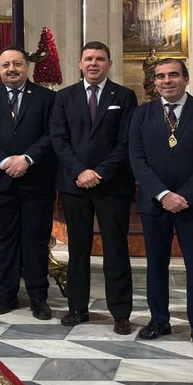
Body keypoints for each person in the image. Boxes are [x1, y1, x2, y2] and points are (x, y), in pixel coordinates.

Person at [128, 58, 193, 349]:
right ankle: (159, 320)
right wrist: (162, 194)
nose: (166, 81)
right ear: (154, 82)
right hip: (154, 205)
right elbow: (137, 158)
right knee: (156, 265)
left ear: (186, 78)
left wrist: (186, 196)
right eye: (160, 77)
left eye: (173, 75)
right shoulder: (142, 114)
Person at [51, 42, 137, 334]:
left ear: (109, 63)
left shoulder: (124, 97)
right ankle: (77, 308)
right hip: (75, 185)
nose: (94, 63)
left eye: (100, 59)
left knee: (115, 249)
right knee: (78, 249)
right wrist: (80, 171)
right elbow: (59, 140)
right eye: (88, 58)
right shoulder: (64, 97)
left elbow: (126, 142)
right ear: (79, 63)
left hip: (111, 185)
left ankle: (121, 312)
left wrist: (99, 172)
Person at [0, 47, 57, 319]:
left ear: (27, 67)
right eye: (6, 64)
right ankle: (6, 294)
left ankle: (38, 297)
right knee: (5, 241)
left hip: (37, 181)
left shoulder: (47, 98)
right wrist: (3, 161)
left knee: (36, 241)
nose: (11, 69)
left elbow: (52, 134)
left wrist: (28, 159)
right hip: (1, 182)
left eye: (17, 64)